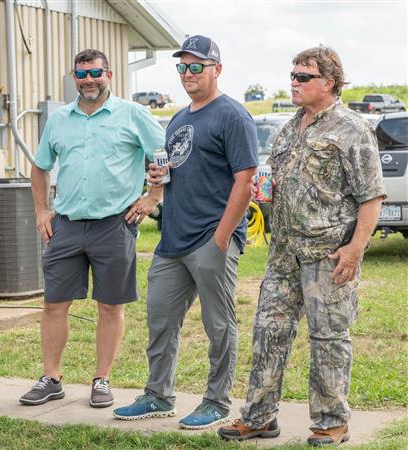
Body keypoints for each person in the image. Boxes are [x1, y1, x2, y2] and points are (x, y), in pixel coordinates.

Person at [218, 46, 386, 446]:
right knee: (268, 332)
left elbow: (372, 196)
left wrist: (355, 249)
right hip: (283, 254)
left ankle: (332, 422)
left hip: (329, 255)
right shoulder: (291, 126)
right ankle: (258, 417)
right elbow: (281, 180)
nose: (293, 82)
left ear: (329, 82)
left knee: (328, 339)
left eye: (303, 77)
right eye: (292, 75)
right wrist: (267, 192)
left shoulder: (352, 129)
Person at [113, 35, 258, 429]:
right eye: (182, 66)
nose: (188, 73)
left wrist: (223, 236)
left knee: (218, 325)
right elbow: (176, 170)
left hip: (211, 236)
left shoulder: (233, 116)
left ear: (217, 69)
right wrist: (158, 178)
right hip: (173, 240)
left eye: (197, 66)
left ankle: (217, 401)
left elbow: (245, 180)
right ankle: (158, 395)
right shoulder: (179, 118)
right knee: (160, 320)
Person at [20, 49, 165, 408]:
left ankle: (102, 379)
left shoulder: (132, 114)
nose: (89, 80)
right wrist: (42, 211)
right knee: (54, 304)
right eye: (82, 74)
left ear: (108, 74)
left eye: (95, 73)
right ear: (75, 77)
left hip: (115, 225)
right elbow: (40, 167)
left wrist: (153, 197)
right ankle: (51, 378)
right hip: (66, 226)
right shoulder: (59, 120)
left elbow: (163, 155)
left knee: (109, 307)